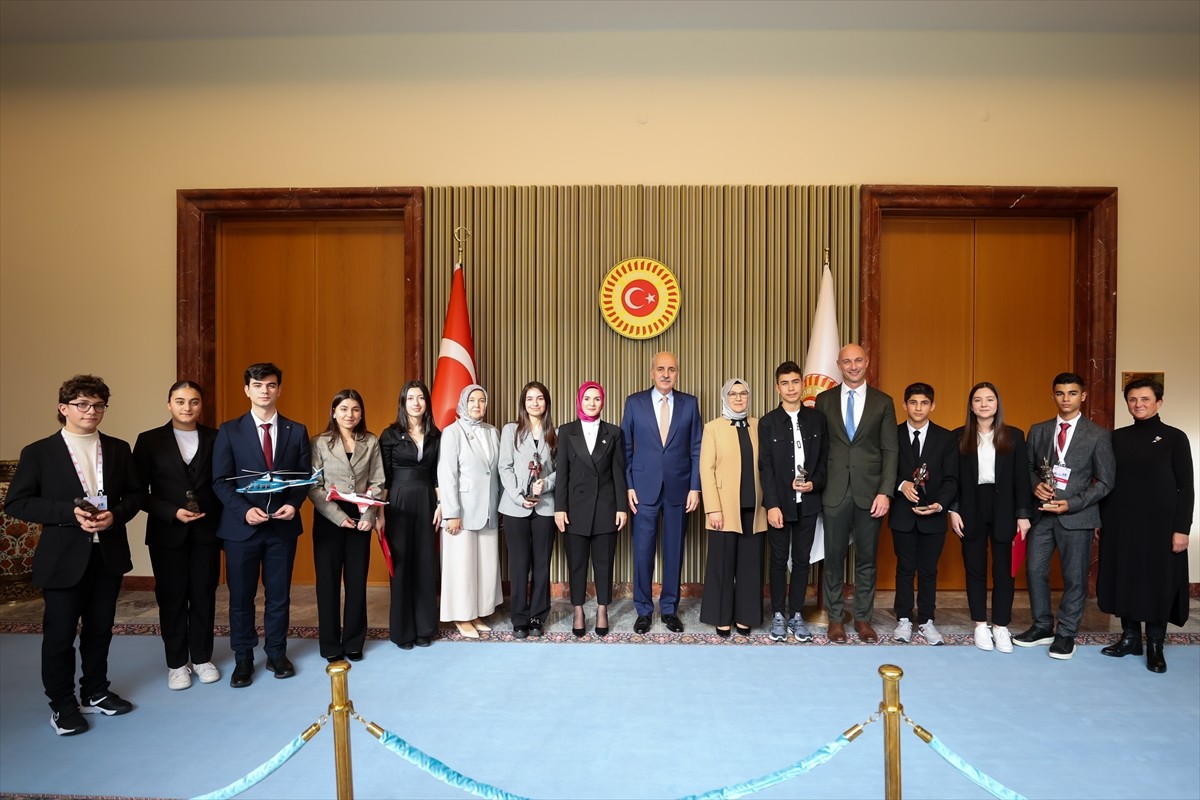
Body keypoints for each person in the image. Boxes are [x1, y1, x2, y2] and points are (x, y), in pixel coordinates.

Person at [6, 375, 141, 735]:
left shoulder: (118, 448)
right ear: (63, 408)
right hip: (63, 557)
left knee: (100, 630)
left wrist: (117, 515)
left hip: (107, 554)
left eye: (98, 405)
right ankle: (62, 705)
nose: (91, 411)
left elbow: (134, 495)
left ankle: (95, 691)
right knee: (60, 635)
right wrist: (69, 512)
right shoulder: (39, 452)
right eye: (82, 404)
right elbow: (17, 502)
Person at [212, 362, 311, 686]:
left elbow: (302, 479)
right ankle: (243, 658)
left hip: (281, 529)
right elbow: (220, 481)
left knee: (279, 595)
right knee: (241, 597)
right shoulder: (230, 430)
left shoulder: (296, 431)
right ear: (247, 390)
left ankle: (277, 653)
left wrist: (292, 505)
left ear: (279, 389)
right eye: (258, 385)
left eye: (270, 385)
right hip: (242, 529)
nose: (264, 391)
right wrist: (243, 511)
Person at [1015, 371, 1115, 660]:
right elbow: (1028, 467)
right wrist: (1036, 486)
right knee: (1035, 571)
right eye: (1060, 393)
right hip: (1042, 515)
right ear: (1053, 396)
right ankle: (1043, 626)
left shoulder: (1098, 435)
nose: (1066, 399)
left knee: (1074, 578)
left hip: (1077, 516)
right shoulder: (1039, 430)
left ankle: (1066, 633)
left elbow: (1106, 481)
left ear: (1082, 396)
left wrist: (1072, 503)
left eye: (1072, 393)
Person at [1098, 378, 1193, 673]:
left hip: (1161, 527)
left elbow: (1186, 487)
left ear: (1159, 402)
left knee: (1157, 582)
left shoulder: (1175, 438)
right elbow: (1106, 481)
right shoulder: (1116, 438)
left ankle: (1154, 643)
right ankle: (1129, 639)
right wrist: (1102, 519)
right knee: (1124, 577)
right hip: (1121, 523)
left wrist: (1182, 528)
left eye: (1145, 399)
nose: (1138, 404)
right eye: (1133, 399)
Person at [132, 380, 222, 690]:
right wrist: (171, 512)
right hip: (167, 532)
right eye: (180, 401)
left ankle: (202, 658)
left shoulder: (216, 438)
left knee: (203, 595)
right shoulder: (149, 441)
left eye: (194, 401)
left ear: (201, 405)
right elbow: (137, 492)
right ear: (169, 404)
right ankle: (176, 664)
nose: (187, 407)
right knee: (171, 599)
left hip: (207, 532)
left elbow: (223, 483)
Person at [813, 344, 898, 643]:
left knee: (866, 560)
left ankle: (863, 619)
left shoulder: (883, 402)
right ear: (838, 364)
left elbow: (890, 449)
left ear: (867, 361)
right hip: (833, 492)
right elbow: (818, 449)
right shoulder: (823, 401)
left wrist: (885, 492)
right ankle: (835, 619)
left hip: (870, 493)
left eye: (858, 360)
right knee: (833, 558)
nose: (852, 366)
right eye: (847, 361)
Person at [948, 382, 1033, 654]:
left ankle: (1001, 626)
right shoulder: (958, 437)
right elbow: (953, 479)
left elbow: (1022, 479)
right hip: (971, 508)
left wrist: (1023, 515)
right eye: (978, 400)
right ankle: (980, 625)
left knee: (1004, 573)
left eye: (989, 399)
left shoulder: (1015, 436)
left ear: (998, 404)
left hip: (1005, 509)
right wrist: (953, 510)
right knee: (975, 570)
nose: (984, 404)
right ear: (971, 406)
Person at [622, 351, 703, 634]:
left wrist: (695, 487)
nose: (666, 374)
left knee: (674, 551)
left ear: (677, 373)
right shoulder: (634, 403)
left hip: (680, 489)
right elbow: (626, 450)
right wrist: (629, 486)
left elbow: (696, 449)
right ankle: (643, 610)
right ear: (651, 372)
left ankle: (669, 609)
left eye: (671, 369)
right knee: (643, 552)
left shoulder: (690, 404)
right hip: (643, 489)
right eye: (660, 369)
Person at [308, 389, 385, 663]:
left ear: (361, 412)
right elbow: (314, 486)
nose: (349, 415)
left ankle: (353, 641)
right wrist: (337, 516)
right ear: (333, 412)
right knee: (327, 584)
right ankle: (330, 644)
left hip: (361, 516)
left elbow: (378, 482)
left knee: (356, 582)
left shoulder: (371, 441)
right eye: (343, 409)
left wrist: (368, 516)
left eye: (354, 409)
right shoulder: (319, 443)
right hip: (330, 517)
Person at [759, 360, 828, 643]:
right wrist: (772, 504)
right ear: (778, 388)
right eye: (785, 383)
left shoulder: (817, 420)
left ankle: (796, 614)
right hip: (780, 505)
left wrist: (815, 483)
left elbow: (824, 461)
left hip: (808, 502)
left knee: (802, 561)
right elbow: (765, 467)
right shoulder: (768, 422)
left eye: (795, 382)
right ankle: (777, 613)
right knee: (777, 560)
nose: (790, 388)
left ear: (802, 385)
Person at [554, 382, 629, 637]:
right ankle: (577, 610)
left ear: (603, 402)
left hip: (606, 507)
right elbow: (562, 473)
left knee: (604, 563)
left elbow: (619, 473)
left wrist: (621, 507)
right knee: (576, 564)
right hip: (574, 509)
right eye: (588, 398)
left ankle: (601, 609)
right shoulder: (566, 431)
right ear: (579, 400)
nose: (592, 403)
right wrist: (559, 508)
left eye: (597, 398)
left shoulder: (614, 432)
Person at [889, 383, 958, 646]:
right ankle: (904, 619)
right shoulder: (892, 434)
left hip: (933, 516)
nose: (918, 408)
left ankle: (927, 620)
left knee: (929, 570)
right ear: (905, 405)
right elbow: (882, 470)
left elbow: (952, 478)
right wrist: (901, 484)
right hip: (902, 515)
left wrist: (940, 504)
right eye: (913, 402)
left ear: (933, 406)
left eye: (924, 403)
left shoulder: (946, 437)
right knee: (905, 568)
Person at [699, 379, 768, 637]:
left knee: (750, 567)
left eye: (743, 394)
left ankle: (745, 616)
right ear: (724, 397)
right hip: (724, 509)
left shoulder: (760, 426)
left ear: (749, 397)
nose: (738, 398)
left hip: (755, 508)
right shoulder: (712, 428)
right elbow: (706, 470)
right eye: (733, 394)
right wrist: (713, 509)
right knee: (722, 565)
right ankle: (721, 617)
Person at [379, 381, 441, 650]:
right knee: (402, 566)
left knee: (426, 564)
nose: (416, 403)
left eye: (421, 398)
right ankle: (403, 631)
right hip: (398, 502)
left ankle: (425, 628)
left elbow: (438, 473)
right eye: (410, 398)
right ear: (403, 403)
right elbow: (382, 477)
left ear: (427, 403)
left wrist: (442, 505)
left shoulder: (435, 434)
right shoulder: (390, 434)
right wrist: (380, 512)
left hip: (427, 500)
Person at [438, 384, 503, 638]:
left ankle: (476, 612)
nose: (478, 405)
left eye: (482, 401)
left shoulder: (492, 431)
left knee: (484, 566)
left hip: (487, 509)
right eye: (472, 401)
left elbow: (493, 472)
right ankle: (461, 617)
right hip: (462, 512)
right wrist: (451, 512)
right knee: (461, 566)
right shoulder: (453, 432)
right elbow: (447, 473)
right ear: (463, 403)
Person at [498, 381, 558, 639]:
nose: (535, 403)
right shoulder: (511, 430)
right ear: (523, 403)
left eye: (540, 398)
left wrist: (547, 484)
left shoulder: (555, 433)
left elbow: (561, 471)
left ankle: (537, 616)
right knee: (520, 564)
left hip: (545, 507)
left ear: (547, 402)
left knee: (542, 564)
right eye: (530, 399)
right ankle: (519, 617)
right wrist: (518, 496)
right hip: (515, 507)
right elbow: (504, 467)